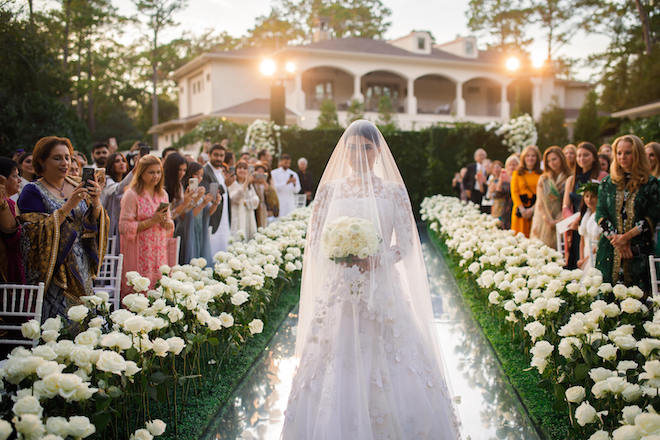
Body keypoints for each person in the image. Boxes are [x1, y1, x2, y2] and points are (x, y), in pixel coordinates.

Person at [281, 120, 459, 439]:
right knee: (334, 353)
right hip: (340, 289)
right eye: (352, 148)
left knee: (391, 353)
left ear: (378, 151)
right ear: (344, 150)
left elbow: (406, 243)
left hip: (383, 288)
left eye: (366, 147)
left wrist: (378, 259)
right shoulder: (330, 190)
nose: (359, 154)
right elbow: (315, 240)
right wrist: (340, 253)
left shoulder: (393, 191)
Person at [18, 136, 108, 321]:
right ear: (42, 161)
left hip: (81, 262)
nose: (65, 163)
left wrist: (97, 202)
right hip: (56, 269)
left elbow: (96, 222)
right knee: (60, 325)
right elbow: (32, 235)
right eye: (57, 158)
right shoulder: (32, 191)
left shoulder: (76, 183)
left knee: (85, 321)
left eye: (67, 157)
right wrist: (68, 206)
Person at [595, 135, 660, 293]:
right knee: (608, 302)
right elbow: (601, 214)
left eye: (628, 153)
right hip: (610, 249)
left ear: (637, 154)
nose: (622, 157)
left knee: (639, 301)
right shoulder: (607, 183)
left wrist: (626, 238)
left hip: (638, 249)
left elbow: (652, 216)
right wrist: (617, 240)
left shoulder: (650, 184)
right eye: (619, 153)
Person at [119, 155, 174, 297]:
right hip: (140, 250)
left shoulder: (163, 194)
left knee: (159, 292)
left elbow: (169, 223)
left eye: (158, 172)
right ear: (141, 173)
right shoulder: (132, 195)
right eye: (151, 172)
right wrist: (151, 221)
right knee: (139, 293)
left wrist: (166, 222)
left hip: (158, 250)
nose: (155, 176)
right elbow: (124, 226)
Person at [562, 142, 608, 267]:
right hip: (576, 227)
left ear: (594, 157)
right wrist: (572, 220)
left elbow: (603, 202)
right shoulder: (572, 179)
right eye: (579, 155)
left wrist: (579, 218)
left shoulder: (602, 176)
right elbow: (565, 206)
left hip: (593, 223)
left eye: (586, 155)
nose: (582, 158)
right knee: (575, 262)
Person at [177, 162, 219, 265]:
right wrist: (202, 202)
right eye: (196, 174)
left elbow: (207, 213)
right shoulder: (184, 192)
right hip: (188, 231)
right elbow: (186, 215)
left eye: (201, 175)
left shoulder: (200, 191)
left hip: (200, 229)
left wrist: (215, 204)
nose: (199, 178)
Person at [530, 147, 569, 248]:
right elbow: (540, 202)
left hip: (563, 218)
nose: (552, 163)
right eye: (549, 161)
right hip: (545, 220)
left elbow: (569, 201)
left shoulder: (569, 178)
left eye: (554, 159)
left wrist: (560, 219)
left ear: (561, 159)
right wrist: (548, 220)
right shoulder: (544, 179)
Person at [201, 144, 231, 256]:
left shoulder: (222, 172)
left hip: (224, 217)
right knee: (212, 251)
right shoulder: (205, 171)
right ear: (209, 155)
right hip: (212, 218)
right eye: (216, 155)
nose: (219, 158)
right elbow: (209, 193)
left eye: (221, 156)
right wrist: (225, 186)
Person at [0, 158, 25, 283]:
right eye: (15, 176)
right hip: (7, 266)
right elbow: (13, 238)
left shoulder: (10, 202)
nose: (20, 180)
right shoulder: (6, 204)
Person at [510, 145, 542, 237]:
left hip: (536, 209)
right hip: (520, 210)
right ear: (523, 158)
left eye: (533, 156)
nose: (530, 158)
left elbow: (542, 194)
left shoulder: (542, 174)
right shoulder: (517, 174)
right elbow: (514, 192)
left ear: (537, 158)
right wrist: (522, 209)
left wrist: (532, 209)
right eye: (528, 156)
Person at [228, 161, 260, 241]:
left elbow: (256, 199)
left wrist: (247, 202)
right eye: (239, 168)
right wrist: (246, 182)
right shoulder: (232, 183)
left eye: (245, 168)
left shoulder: (250, 185)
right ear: (236, 170)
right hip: (237, 214)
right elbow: (234, 198)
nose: (242, 170)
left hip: (248, 214)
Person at [576, 182, 602, 271]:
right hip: (585, 253)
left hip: (595, 255)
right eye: (587, 196)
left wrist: (585, 259)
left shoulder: (600, 216)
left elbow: (598, 244)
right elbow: (582, 239)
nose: (589, 200)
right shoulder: (586, 214)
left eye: (593, 197)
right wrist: (581, 258)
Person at [163, 153, 195, 222]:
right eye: (179, 170)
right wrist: (183, 204)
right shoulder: (162, 187)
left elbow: (183, 213)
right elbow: (164, 217)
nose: (182, 173)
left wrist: (191, 200)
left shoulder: (179, 185)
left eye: (184, 170)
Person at [493, 155, 519, 229]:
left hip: (517, 208)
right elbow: (497, 195)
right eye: (509, 165)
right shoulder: (504, 179)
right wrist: (501, 180)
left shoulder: (521, 179)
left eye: (514, 164)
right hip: (505, 210)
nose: (512, 167)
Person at [271, 154, 301, 218]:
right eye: (285, 163)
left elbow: (297, 190)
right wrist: (286, 183)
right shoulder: (274, 173)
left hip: (290, 201)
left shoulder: (293, 174)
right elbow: (274, 187)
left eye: (289, 163)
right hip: (279, 200)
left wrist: (294, 183)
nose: (287, 165)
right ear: (281, 162)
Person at [253, 162, 270, 228]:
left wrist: (264, 182)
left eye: (262, 172)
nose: (260, 173)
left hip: (263, 206)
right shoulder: (253, 183)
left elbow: (268, 192)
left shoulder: (265, 183)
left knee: (263, 223)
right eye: (259, 172)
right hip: (255, 205)